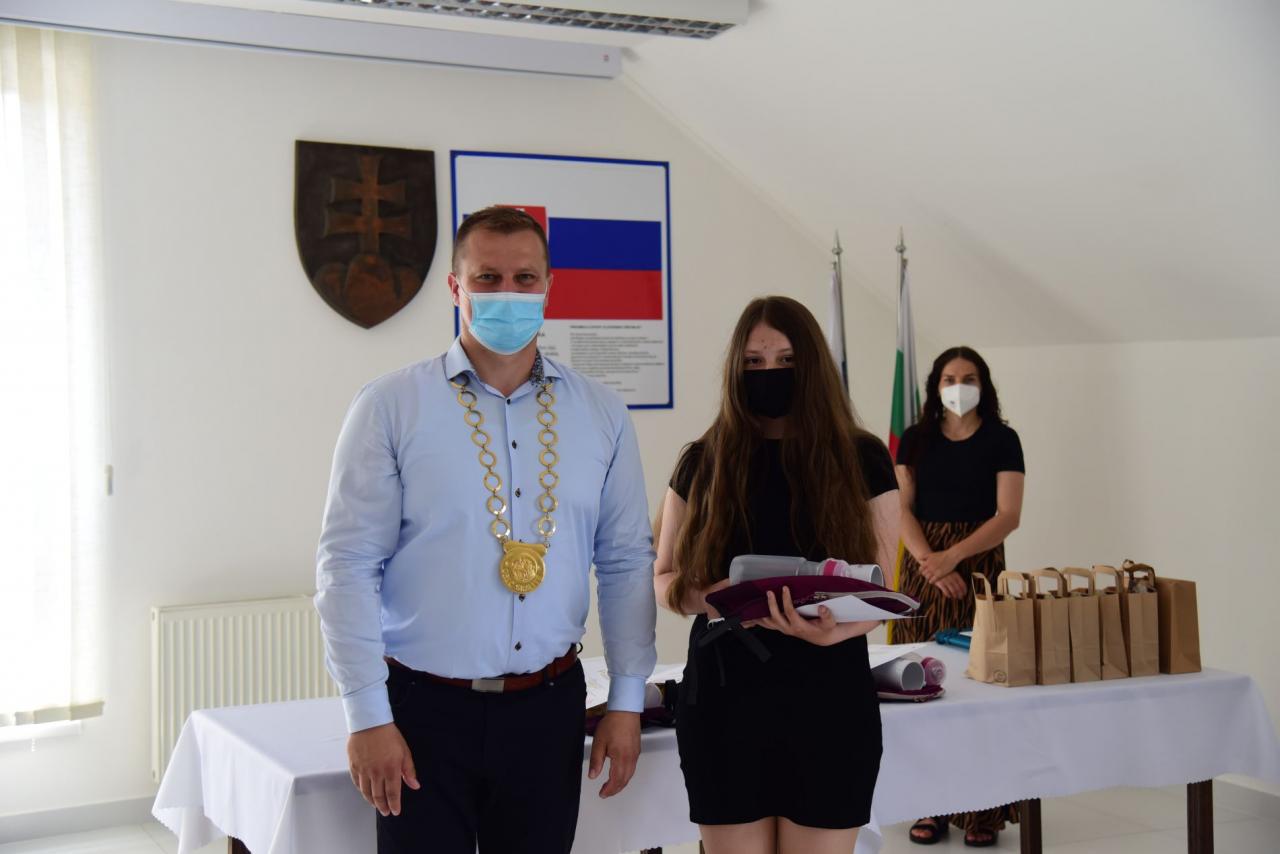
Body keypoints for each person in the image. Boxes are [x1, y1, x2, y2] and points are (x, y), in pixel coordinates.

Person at [314, 206, 657, 854]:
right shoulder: (391, 406)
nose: (508, 293)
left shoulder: (602, 413)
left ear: (549, 287)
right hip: (422, 710)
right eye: (487, 278)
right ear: (456, 287)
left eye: (525, 278)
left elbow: (624, 562)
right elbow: (348, 566)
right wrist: (366, 714)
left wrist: (627, 700)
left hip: (548, 708)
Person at [653, 296, 901, 854]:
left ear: (812, 366)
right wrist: (704, 597)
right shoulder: (703, 460)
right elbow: (662, 576)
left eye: (786, 361)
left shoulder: (862, 458)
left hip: (829, 695)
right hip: (724, 700)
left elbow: (881, 590)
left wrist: (837, 630)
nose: (770, 373)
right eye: (754, 362)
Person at [893, 345, 1025, 847]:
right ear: (936, 386)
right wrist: (931, 563)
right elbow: (900, 509)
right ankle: (928, 804)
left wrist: (954, 558)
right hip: (922, 571)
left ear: (983, 385)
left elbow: (1008, 515)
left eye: (968, 378)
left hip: (980, 568)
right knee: (920, 688)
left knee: (980, 689)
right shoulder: (915, 439)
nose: (958, 386)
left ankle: (982, 811)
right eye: (949, 378)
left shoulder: (1002, 439)